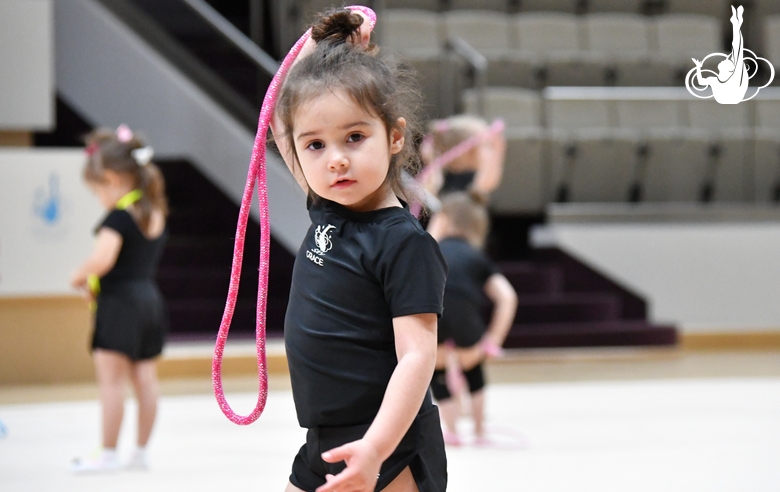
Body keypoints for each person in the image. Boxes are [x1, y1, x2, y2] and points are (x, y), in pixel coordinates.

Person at [270, 7, 448, 492]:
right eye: (316, 146)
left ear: (393, 136)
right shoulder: (327, 209)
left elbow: (417, 358)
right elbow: (280, 117)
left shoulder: (404, 243)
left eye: (354, 136)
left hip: (388, 443)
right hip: (323, 437)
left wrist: (378, 446)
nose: (336, 159)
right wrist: (318, 41)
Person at [69, 125, 169, 472]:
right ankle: (140, 452)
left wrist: (79, 274)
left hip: (119, 304)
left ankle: (108, 453)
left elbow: (103, 259)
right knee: (145, 379)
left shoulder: (117, 217)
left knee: (111, 382)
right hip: (149, 301)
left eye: (97, 191)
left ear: (111, 179)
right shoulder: (152, 213)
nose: (98, 199)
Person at [428, 192, 517, 446]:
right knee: (474, 372)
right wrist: (493, 340)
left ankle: (453, 432)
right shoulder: (475, 256)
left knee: (440, 374)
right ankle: (478, 432)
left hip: (434, 318)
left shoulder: (429, 252)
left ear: (444, 220)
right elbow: (507, 297)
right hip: (466, 319)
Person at [420, 115, 506, 241]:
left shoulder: (440, 180)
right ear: (469, 151)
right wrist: (499, 150)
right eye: (488, 146)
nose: (492, 151)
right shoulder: (467, 186)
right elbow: (490, 181)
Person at [692, 5, 748, 104]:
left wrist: (736, 26)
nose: (725, 59)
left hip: (732, 105)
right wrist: (698, 67)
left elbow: (737, 47)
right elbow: (701, 82)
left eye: (727, 61)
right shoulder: (714, 80)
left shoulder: (734, 79)